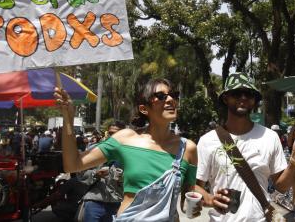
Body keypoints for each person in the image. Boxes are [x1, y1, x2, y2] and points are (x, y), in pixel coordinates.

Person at [55, 78, 198, 221]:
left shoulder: (187, 148)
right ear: (144, 109)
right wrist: (69, 118)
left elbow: (186, 200)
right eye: (161, 96)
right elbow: (72, 164)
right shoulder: (125, 139)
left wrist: (197, 205)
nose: (171, 99)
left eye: (174, 95)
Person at [195, 72, 295, 221]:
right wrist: (210, 199)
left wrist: (294, 159)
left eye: (248, 94)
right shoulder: (207, 141)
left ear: (254, 100)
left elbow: (281, 187)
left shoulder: (270, 138)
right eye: (236, 93)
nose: (243, 98)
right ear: (225, 98)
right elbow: (196, 186)